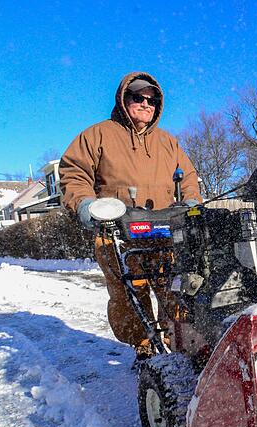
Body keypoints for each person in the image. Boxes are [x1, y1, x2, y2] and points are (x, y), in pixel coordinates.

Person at [59, 72, 202, 359]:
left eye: (152, 100)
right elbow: (74, 174)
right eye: (138, 97)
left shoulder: (168, 142)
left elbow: (188, 177)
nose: (145, 104)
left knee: (175, 288)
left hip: (163, 229)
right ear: (124, 99)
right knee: (129, 297)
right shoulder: (98, 135)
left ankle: (180, 344)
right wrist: (86, 205)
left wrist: (191, 203)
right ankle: (145, 349)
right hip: (118, 234)